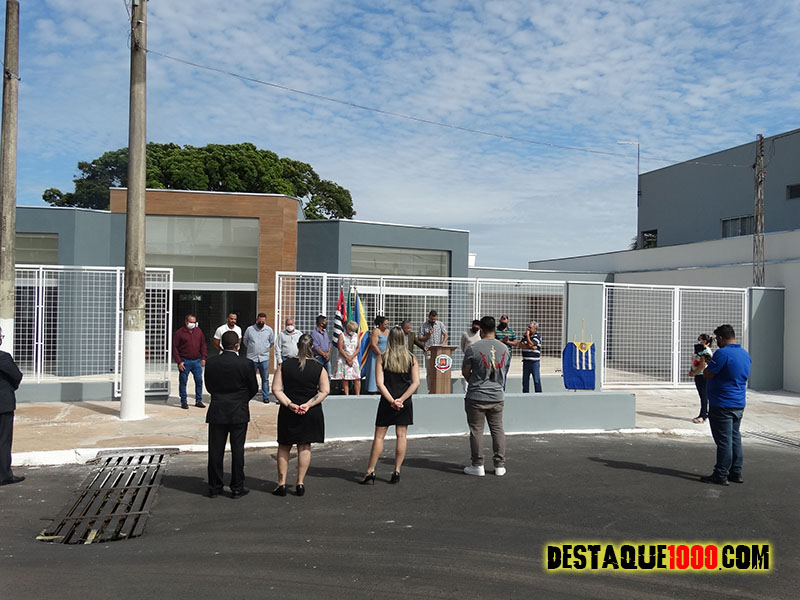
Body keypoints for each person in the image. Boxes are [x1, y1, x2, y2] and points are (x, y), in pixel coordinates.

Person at [271, 334, 330, 497]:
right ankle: (300, 483)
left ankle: (281, 483)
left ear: (297, 346)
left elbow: (276, 389)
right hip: (310, 411)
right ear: (312, 347)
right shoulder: (319, 368)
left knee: (284, 446)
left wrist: (290, 404)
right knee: (304, 446)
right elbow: (324, 390)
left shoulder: (284, 365)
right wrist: (308, 404)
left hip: (288, 411)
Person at [360, 326, 420, 485]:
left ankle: (370, 470)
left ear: (390, 339)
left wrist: (392, 400)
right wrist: (401, 400)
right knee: (401, 435)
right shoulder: (411, 358)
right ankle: (397, 470)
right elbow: (415, 383)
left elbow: (379, 383)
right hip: (405, 402)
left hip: (387, 401)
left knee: (379, 436)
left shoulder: (383, 357)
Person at [204, 331, 259, 499]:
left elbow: (209, 386)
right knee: (237, 450)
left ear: (221, 344)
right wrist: (242, 399)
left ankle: (215, 487)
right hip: (238, 411)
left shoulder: (212, 363)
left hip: (218, 410)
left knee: (215, 451)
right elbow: (253, 388)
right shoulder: (246, 364)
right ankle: (237, 487)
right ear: (237, 345)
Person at [700, 324, 751, 486]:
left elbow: (708, 374)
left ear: (721, 338)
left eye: (717, 339)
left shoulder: (722, 353)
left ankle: (720, 474)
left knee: (724, 441)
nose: (716, 342)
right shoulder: (744, 354)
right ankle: (736, 472)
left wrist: (707, 364)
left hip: (722, 403)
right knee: (735, 438)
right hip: (738, 403)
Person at [462, 316, 511, 477]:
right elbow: (504, 371)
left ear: (481, 330)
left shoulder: (473, 348)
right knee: (497, 429)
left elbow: (465, 371)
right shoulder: (504, 349)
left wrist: (474, 381)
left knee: (476, 430)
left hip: (476, 395)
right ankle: (499, 465)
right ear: (495, 329)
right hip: (497, 395)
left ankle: (478, 465)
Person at [0, 327, 24, 486]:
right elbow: (17, 375)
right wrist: (10, 388)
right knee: (3, 440)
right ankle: (4, 475)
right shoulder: (3, 357)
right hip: (3, 405)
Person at [172, 314, 207, 409]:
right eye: (191, 322)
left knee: (199, 381)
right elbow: (175, 348)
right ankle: (183, 401)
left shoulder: (198, 331)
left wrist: (203, 357)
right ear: (186, 322)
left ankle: (198, 400)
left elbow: (203, 344)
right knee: (183, 381)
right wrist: (179, 362)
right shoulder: (179, 333)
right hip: (184, 361)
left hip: (196, 361)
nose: (193, 324)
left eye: (194, 322)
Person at [242, 313, 275, 404]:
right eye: (260, 321)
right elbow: (245, 341)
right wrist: (253, 348)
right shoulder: (250, 329)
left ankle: (266, 396)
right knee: (250, 378)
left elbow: (271, 342)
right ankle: (249, 394)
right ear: (257, 320)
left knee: (265, 378)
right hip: (252, 358)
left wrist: (264, 349)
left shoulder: (269, 330)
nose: (261, 323)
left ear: (265, 320)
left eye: (263, 321)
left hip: (264, 358)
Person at [417, 310, 448, 393]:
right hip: (429, 352)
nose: (433, 321)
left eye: (434, 319)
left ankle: (439, 388)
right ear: (429, 317)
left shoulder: (440, 324)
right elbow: (419, 338)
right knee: (430, 371)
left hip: (438, 351)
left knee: (438, 370)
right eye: (431, 319)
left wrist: (443, 343)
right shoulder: (424, 326)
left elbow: (445, 334)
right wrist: (428, 335)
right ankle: (430, 389)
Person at [689, 333, 714, 423]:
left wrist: (694, 373)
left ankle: (703, 415)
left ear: (704, 341)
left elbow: (703, 364)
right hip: (698, 375)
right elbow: (695, 361)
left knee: (704, 395)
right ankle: (704, 414)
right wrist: (691, 370)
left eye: (700, 339)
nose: (698, 341)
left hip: (703, 375)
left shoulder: (706, 351)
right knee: (702, 395)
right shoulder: (699, 350)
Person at [363, 315, 389, 394]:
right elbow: (373, 345)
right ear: (380, 323)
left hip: (386, 355)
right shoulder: (375, 331)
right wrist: (381, 355)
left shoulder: (388, 331)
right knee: (374, 372)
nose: (387, 324)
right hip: (375, 356)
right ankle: (374, 390)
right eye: (385, 323)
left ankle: (384, 390)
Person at [335, 320, 361, 395]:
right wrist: (347, 358)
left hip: (353, 359)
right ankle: (346, 395)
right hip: (344, 359)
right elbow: (340, 348)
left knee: (357, 378)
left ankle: (358, 395)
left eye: (354, 330)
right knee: (345, 378)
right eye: (351, 330)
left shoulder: (356, 336)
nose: (352, 332)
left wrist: (351, 357)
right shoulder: (342, 335)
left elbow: (358, 348)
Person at [496, 315, 518, 390]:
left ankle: (502, 389)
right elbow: (493, 341)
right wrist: (502, 340)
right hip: (498, 355)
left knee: (504, 373)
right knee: (497, 373)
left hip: (507, 355)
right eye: (503, 320)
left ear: (508, 321)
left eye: (505, 320)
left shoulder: (511, 331)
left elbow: (515, 343)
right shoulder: (496, 330)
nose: (504, 322)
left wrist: (507, 341)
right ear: (500, 321)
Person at [520, 321, 543, 393]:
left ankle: (539, 395)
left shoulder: (537, 336)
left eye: (530, 328)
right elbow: (520, 345)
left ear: (535, 329)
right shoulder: (524, 336)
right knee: (525, 381)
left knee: (536, 380)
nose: (528, 329)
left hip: (534, 362)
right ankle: (525, 395)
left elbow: (532, 343)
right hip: (526, 362)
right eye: (528, 327)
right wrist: (530, 346)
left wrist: (527, 337)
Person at [459, 320, 481, 392]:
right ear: (472, 325)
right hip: (468, 356)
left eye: (478, 326)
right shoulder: (465, 334)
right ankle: (466, 390)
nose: (476, 327)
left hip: (478, 356)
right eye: (475, 325)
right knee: (466, 371)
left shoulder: (481, 334)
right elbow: (462, 345)